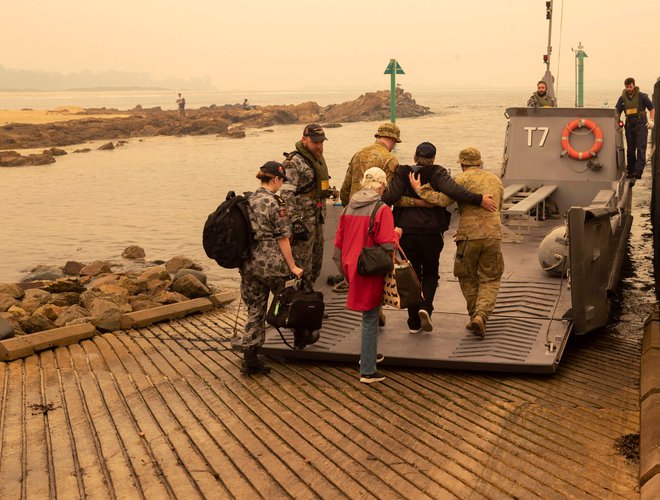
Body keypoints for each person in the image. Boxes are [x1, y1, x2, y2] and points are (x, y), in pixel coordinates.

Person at [382, 142, 497, 334]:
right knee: (430, 273)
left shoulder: (402, 172)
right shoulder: (437, 172)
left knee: (412, 275)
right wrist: (479, 199)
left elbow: (389, 197)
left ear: (414, 157)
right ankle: (425, 308)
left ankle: (413, 322)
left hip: (406, 233)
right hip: (431, 233)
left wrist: (404, 199)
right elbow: (453, 191)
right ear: (433, 159)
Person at [410, 147, 504, 338]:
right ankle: (481, 316)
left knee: (467, 276)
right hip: (493, 235)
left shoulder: (460, 179)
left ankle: (473, 315)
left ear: (462, 164)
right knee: (491, 278)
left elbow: (443, 200)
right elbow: (499, 206)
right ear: (480, 162)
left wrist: (421, 189)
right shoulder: (495, 180)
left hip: (468, 236)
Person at [231, 161, 304, 375]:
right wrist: (293, 266)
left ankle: (250, 358)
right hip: (272, 264)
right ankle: (301, 338)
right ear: (275, 179)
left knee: (255, 309)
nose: (282, 185)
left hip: (249, 264)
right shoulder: (275, 203)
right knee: (291, 300)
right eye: (281, 180)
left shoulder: (248, 200)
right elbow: (283, 238)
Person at [333, 167, 401, 384]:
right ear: (382, 185)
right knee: (370, 316)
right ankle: (368, 370)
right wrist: (397, 233)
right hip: (369, 267)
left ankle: (370, 355)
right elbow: (387, 244)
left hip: (351, 265)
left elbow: (338, 246)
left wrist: (343, 271)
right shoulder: (381, 210)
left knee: (369, 314)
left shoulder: (347, 208)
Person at [280, 124, 331, 291]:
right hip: (302, 223)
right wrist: (294, 222)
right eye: (315, 142)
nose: (319, 146)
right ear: (304, 139)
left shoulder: (317, 160)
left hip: (317, 220)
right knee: (302, 265)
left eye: (321, 142)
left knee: (316, 263)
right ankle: (296, 304)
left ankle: (308, 301)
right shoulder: (293, 162)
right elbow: (286, 195)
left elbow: (314, 186)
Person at [339, 122, 402, 207]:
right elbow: (388, 194)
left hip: (353, 208)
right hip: (374, 213)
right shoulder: (390, 160)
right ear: (394, 140)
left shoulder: (358, 154)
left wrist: (349, 208)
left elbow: (345, 189)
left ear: (379, 136)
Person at [615, 77, 655, 179]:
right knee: (630, 149)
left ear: (634, 85)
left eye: (630, 86)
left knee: (641, 148)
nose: (629, 89)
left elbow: (652, 108)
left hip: (641, 125)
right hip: (629, 125)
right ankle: (631, 170)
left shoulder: (642, 97)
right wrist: (617, 121)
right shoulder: (622, 99)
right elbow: (617, 112)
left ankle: (638, 171)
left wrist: (651, 120)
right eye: (627, 87)